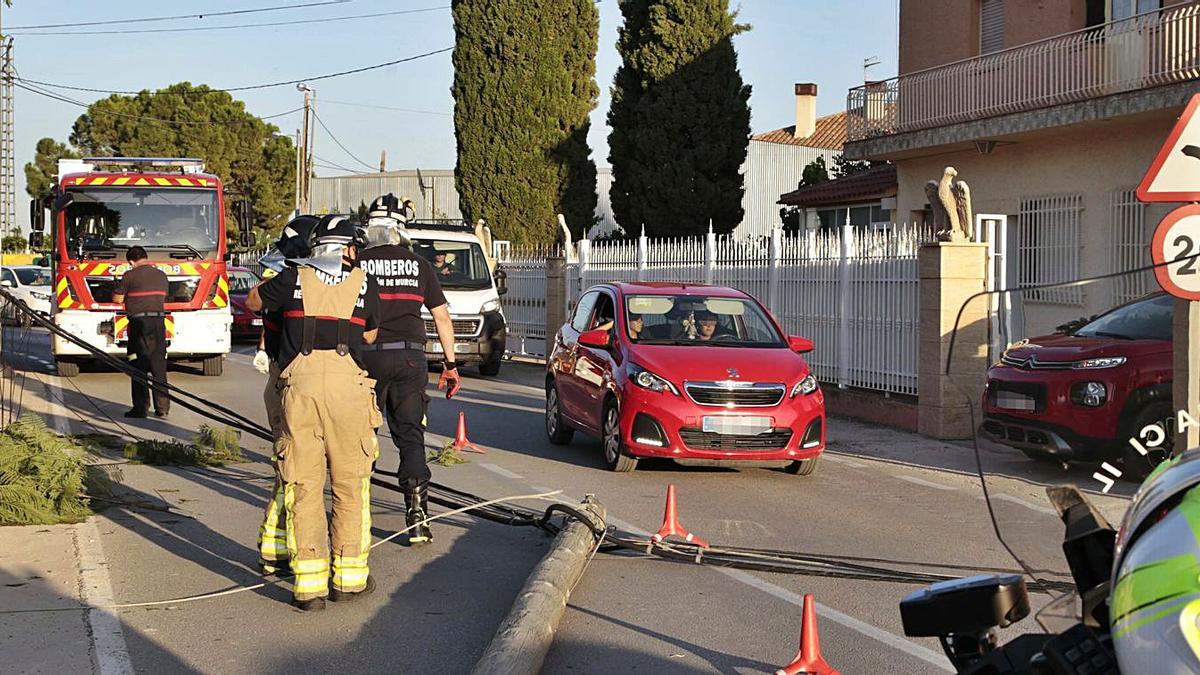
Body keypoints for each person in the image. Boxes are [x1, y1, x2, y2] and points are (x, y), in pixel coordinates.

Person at [246, 214, 383, 612]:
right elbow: (371, 333)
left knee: (302, 485)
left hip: (299, 390)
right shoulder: (365, 283)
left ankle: (308, 587)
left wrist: (286, 270)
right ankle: (349, 580)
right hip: (350, 391)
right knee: (350, 485)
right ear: (347, 248)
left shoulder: (292, 281)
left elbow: (254, 301)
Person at [358, 193, 461, 545]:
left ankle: (356, 514)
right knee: (410, 436)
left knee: (360, 435)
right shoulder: (419, 265)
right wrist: (449, 364)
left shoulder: (356, 262)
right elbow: (441, 317)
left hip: (365, 357)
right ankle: (417, 517)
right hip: (410, 358)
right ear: (402, 229)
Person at [252, 215, 321, 577]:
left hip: (288, 380)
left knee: (290, 469)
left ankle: (276, 547)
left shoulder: (286, 280)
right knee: (294, 472)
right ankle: (291, 551)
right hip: (293, 383)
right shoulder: (297, 281)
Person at [112, 246, 170, 419]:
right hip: (159, 323)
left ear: (131, 261)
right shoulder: (161, 275)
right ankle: (163, 408)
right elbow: (163, 296)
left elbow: (117, 298)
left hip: (138, 325)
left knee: (137, 365)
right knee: (159, 365)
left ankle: (140, 408)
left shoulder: (130, 275)